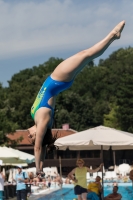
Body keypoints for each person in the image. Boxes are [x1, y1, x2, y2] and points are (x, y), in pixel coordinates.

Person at [28, 21, 125, 176]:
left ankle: (113, 37)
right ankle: (113, 35)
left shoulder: (38, 119)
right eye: (32, 137)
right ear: (39, 134)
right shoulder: (42, 121)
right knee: (86, 54)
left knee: (87, 56)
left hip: (58, 81)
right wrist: (38, 169)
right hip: (57, 80)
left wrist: (41, 164)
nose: (28, 135)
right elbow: (39, 148)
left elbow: (43, 148)